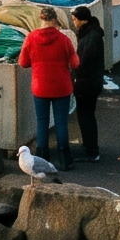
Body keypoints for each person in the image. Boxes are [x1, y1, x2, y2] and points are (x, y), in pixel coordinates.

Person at [17, 10, 79, 169]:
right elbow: (75, 63)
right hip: (61, 87)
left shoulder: (31, 38)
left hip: (40, 87)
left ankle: (42, 156)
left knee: (42, 122)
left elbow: (23, 62)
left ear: (41, 19)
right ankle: (65, 159)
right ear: (55, 20)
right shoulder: (64, 39)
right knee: (61, 122)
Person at [68, 6, 107, 162]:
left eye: (75, 19)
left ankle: (91, 150)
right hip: (92, 82)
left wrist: (75, 73)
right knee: (87, 115)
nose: (74, 22)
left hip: (87, 84)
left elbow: (85, 61)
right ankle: (89, 147)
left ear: (82, 20)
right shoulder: (93, 33)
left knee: (85, 116)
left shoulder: (90, 37)